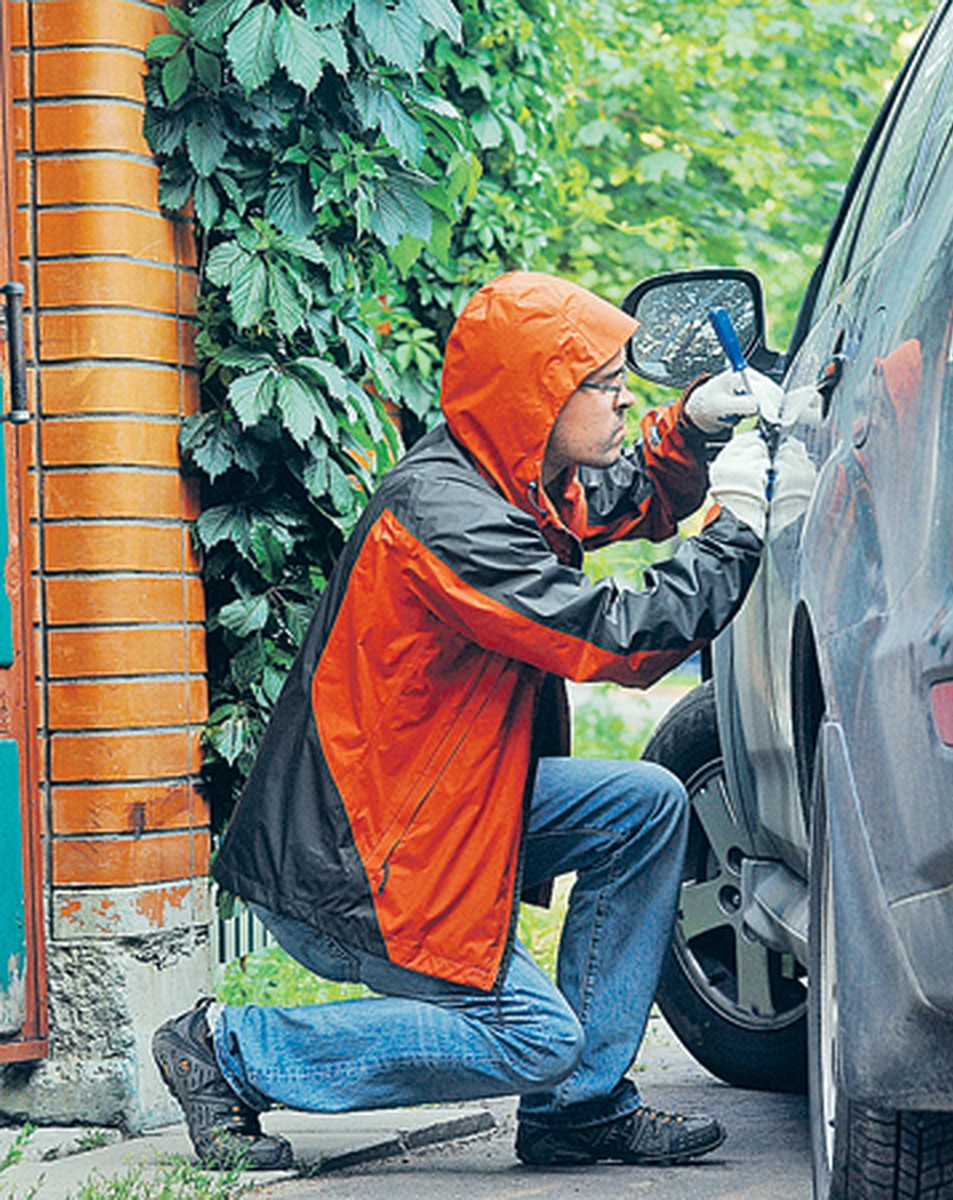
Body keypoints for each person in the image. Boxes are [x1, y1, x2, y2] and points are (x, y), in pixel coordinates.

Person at [152, 271, 781, 1171]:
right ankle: (229, 1050)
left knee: (644, 806)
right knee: (532, 1037)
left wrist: (691, 428)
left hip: (438, 809)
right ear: (536, 399)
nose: (621, 400)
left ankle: (579, 1111)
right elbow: (613, 640)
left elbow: (620, 496)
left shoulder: (513, 474)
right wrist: (736, 529)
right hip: (366, 859)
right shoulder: (445, 519)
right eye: (603, 386)